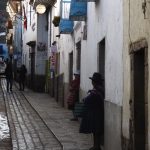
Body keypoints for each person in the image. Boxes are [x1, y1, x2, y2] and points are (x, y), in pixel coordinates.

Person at [79, 72, 104, 150]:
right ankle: (96, 146)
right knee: (95, 130)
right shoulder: (97, 90)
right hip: (97, 113)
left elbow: (88, 100)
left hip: (97, 114)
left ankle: (97, 146)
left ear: (95, 82)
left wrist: (85, 99)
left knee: (96, 131)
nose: (92, 82)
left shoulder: (97, 91)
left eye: (93, 81)